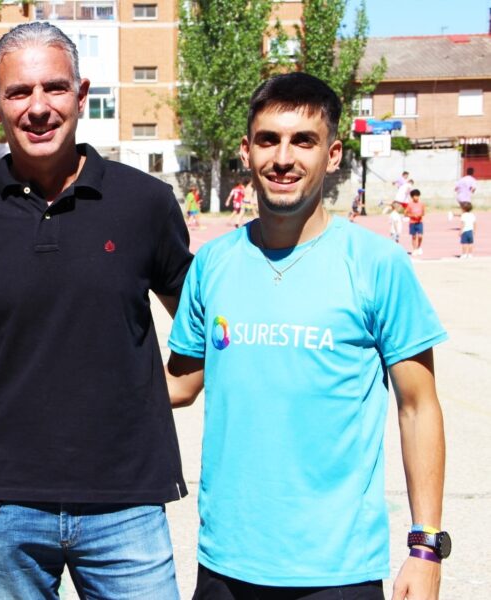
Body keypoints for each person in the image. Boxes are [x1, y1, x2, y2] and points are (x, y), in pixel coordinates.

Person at [0, 21, 192, 599]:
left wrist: (177, 384)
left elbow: (198, 317)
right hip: (1, 506)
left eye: (54, 88)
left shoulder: (145, 203)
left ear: (81, 95)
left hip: (127, 501)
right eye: (18, 92)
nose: (38, 107)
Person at [165, 72, 448, 600]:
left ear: (333, 154)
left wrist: (425, 548)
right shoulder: (213, 264)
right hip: (226, 561)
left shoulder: (377, 265)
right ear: (247, 152)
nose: (283, 157)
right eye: (269, 140)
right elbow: (178, 385)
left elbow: (418, 407)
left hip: (336, 570)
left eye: (304, 141)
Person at [406, 188, 426, 256]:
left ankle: (419, 247)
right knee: (414, 236)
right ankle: (414, 249)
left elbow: (423, 213)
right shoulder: (410, 204)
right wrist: (412, 215)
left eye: (417, 196)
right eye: (415, 196)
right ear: (412, 197)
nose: (416, 197)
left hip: (419, 222)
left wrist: (419, 215)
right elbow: (406, 214)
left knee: (420, 236)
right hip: (412, 222)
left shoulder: (421, 204)